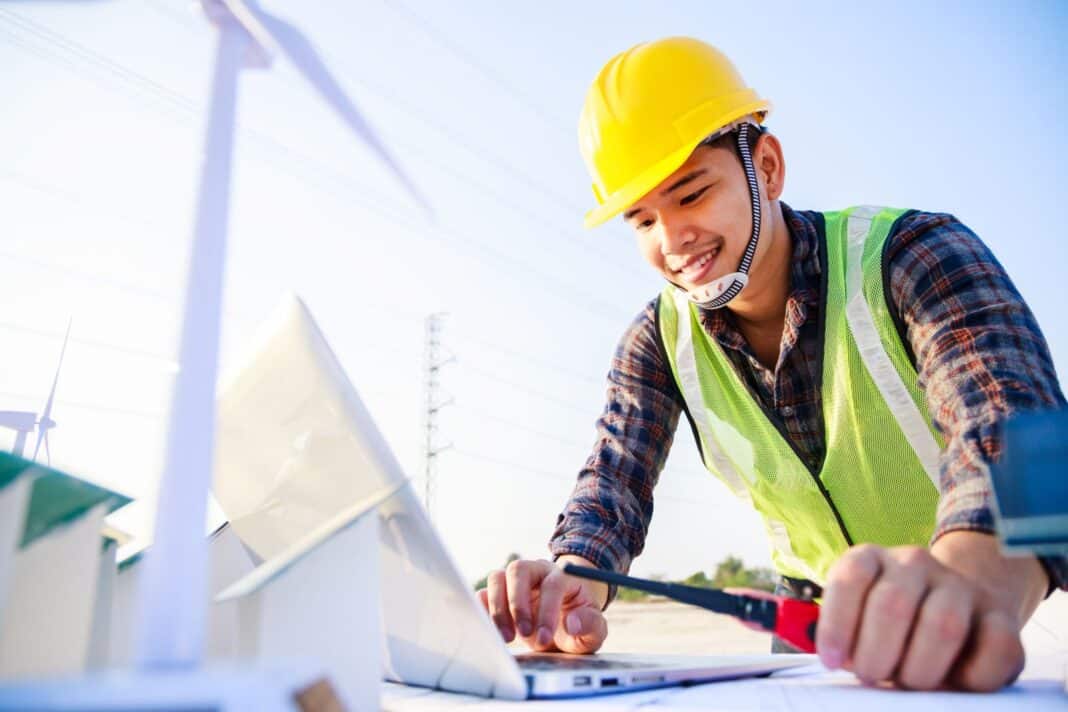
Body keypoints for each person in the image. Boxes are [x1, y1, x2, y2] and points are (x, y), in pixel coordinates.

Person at [477, 36, 1066, 691]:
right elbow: (611, 485)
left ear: (767, 167)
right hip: (819, 655)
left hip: (996, 616)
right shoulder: (656, 342)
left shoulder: (913, 254)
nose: (672, 241)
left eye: (692, 194)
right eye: (642, 221)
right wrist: (573, 581)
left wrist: (975, 583)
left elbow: (1015, 425)